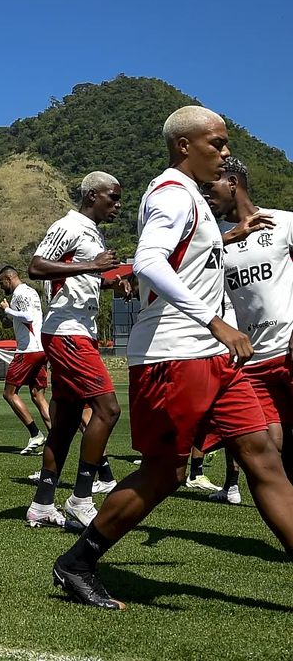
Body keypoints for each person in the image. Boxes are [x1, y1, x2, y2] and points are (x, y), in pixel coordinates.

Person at [53, 106, 293, 610]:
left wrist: (227, 240)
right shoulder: (171, 193)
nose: (225, 152)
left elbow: (185, 261)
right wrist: (214, 321)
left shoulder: (193, 199)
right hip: (175, 354)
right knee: (165, 473)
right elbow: (148, 261)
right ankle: (77, 562)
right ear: (185, 146)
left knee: (264, 457)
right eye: (217, 143)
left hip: (213, 357)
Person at [23, 172, 125, 529]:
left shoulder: (93, 232)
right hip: (67, 332)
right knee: (108, 410)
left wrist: (110, 283)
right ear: (92, 195)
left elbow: (77, 279)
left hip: (81, 330)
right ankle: (81, 498)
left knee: (66, 422)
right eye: (113, 197)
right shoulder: (67, 225)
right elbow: (36, 267)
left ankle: (42, 504)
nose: (117, 205)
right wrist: (94, 265)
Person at [201, 156, 293, 501]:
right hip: (252, 361)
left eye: (210, 187)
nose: (206, 196)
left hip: (288, 350)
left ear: (232, 183)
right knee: (267, 450)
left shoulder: (284, 223)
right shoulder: (217, 242)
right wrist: (226, 239)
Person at [0, 266, 51, 454]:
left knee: (9, 393)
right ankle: (55, 440)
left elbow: (27, 317)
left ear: (8, 278)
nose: (2, 287)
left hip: (28, 351)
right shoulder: (31, 291)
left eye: (1, 282)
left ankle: (35, 433)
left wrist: (7, 310)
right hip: (41, 349)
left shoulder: (19, 294)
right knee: (38, 395)